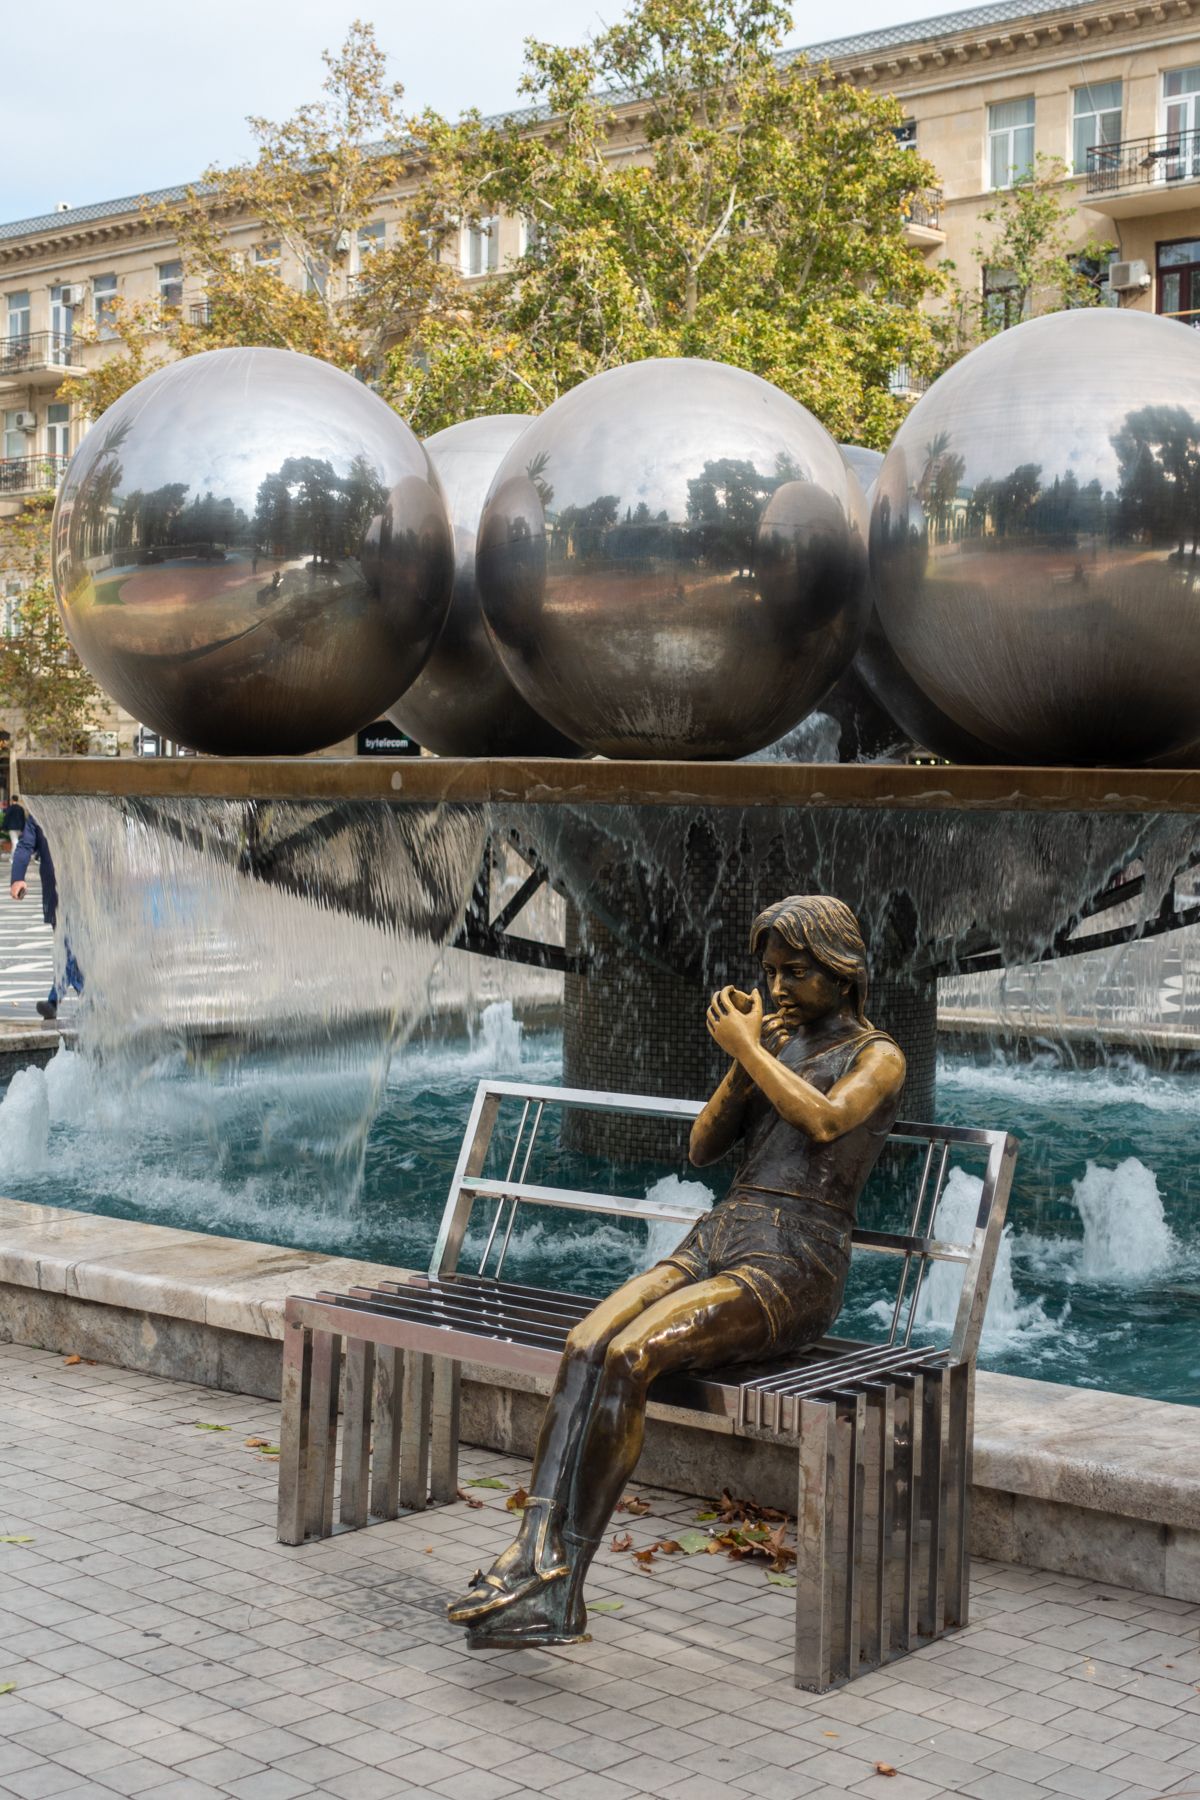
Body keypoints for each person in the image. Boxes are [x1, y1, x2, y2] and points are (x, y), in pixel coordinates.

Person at [448, 893, 907, 1648]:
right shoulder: (778, 1044)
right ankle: (533, 1550)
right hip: (723, 1232)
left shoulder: (877, 1054)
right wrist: (748, 1055)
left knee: (632, 1357)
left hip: (795, 1261)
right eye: (769, 975)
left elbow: (825, 1120)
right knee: (585, 1342)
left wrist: (752, 1050)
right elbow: (702, 1148)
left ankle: (565, 1587)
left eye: (795, 973)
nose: (778, 989)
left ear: (842, 971)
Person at [10, 814, 83, 1022]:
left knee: (71, 946)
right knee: (69, 947)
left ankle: (60, 998)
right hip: (56, 897)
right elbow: (25, 846)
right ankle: (89, 1000)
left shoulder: (84, 802)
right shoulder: (40, 811)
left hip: (88, 894)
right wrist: (17, 878)